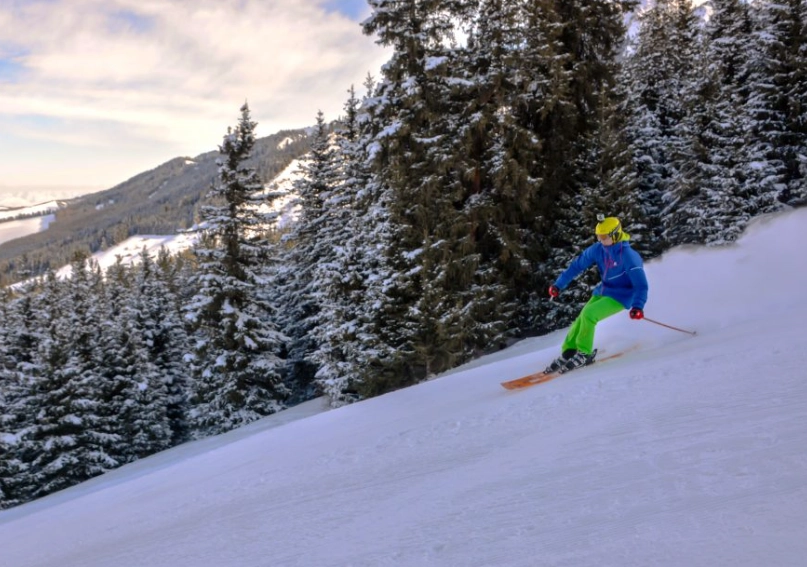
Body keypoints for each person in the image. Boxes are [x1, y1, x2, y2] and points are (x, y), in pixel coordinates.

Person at [545, 216, 648, 374]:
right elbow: (577, 265)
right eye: (598, 237)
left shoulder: (629, 256)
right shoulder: (599, 249)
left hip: (622, 296)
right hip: (603, 291)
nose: (600, 240)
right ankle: (570, 351)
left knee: (589, 314)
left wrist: (638, 306)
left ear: (615, 234)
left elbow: (641, 285)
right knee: (581, 318)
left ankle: (584, 354)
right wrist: (558, 284)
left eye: (604, 237)